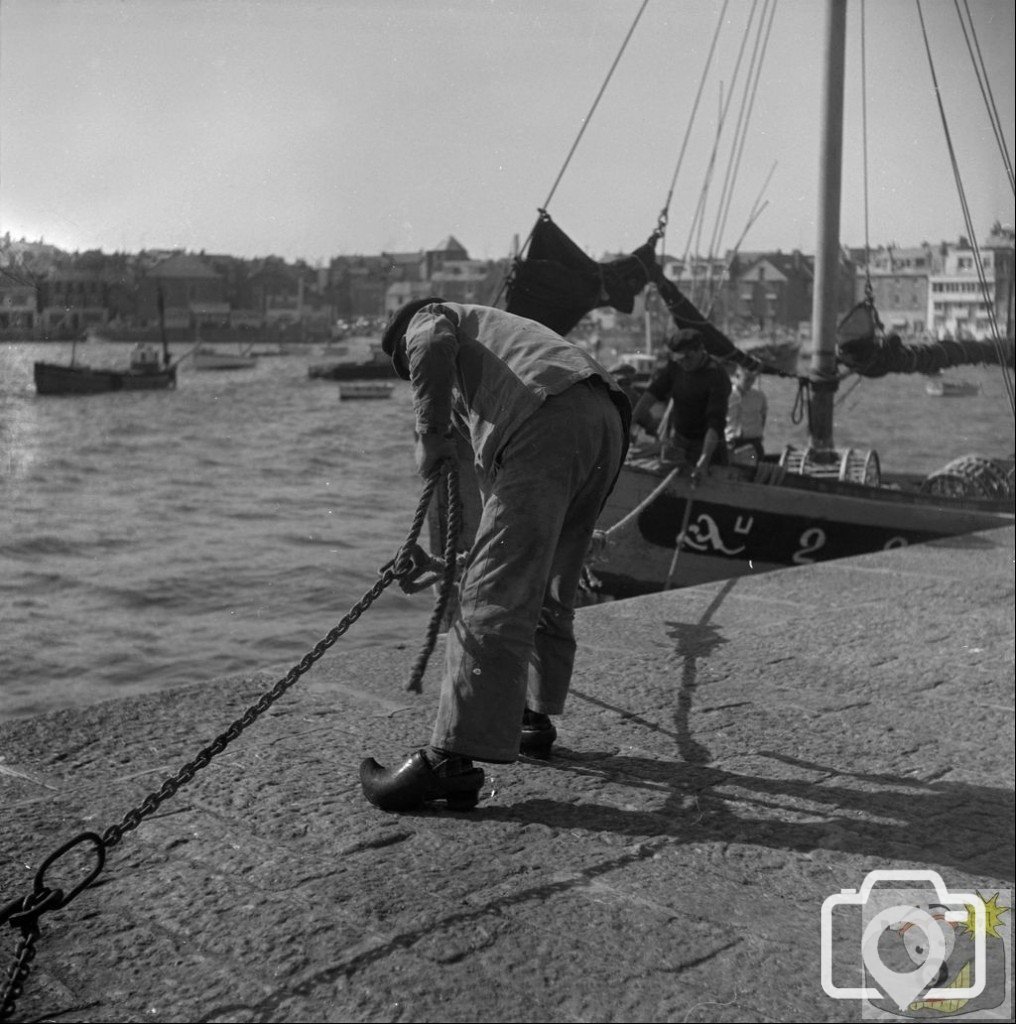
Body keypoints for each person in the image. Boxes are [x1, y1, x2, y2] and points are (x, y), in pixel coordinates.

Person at [360, 298, 630, 812]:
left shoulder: (433, 318)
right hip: (604, 416)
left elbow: (428, 342)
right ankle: (532, 716)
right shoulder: (500, 344)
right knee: (549, 576)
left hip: (546, 417)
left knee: (493, 595)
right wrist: (445, 566)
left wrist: (428, 433)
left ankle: (450, 760)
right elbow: (501, 536)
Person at [630, 328, 731, 483]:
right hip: (680, 445)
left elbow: (715, 422)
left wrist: (703, 461)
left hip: (708, 449)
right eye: (679, 359)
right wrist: (629, 422)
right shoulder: (676, 366)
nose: (684, 363)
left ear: (700, 351)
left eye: (688, 358)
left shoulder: (716, 375)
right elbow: (653, 393)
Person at [725, 366, 767, 461]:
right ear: (737, 376)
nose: (750, 383)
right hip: (732, 444)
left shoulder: (759, 396)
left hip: (753, 443)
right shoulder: (726, 394)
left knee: (756, 469)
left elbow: (763, 416)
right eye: (747, 379)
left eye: (752, 380)